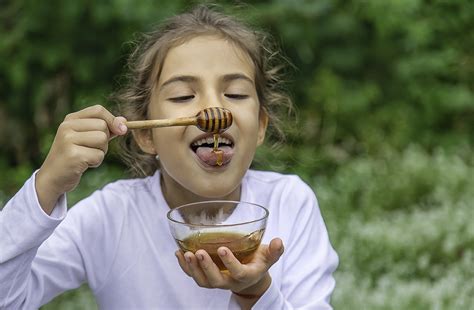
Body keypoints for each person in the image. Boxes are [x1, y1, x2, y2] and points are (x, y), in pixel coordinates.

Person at [0, 5, 338, 309]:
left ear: (260, 126)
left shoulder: (290, 204)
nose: (213, 108)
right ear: (147, 133)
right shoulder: (109, 218)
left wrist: (256, 292)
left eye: (235, 93)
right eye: (182, 95)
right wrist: (46, 186)